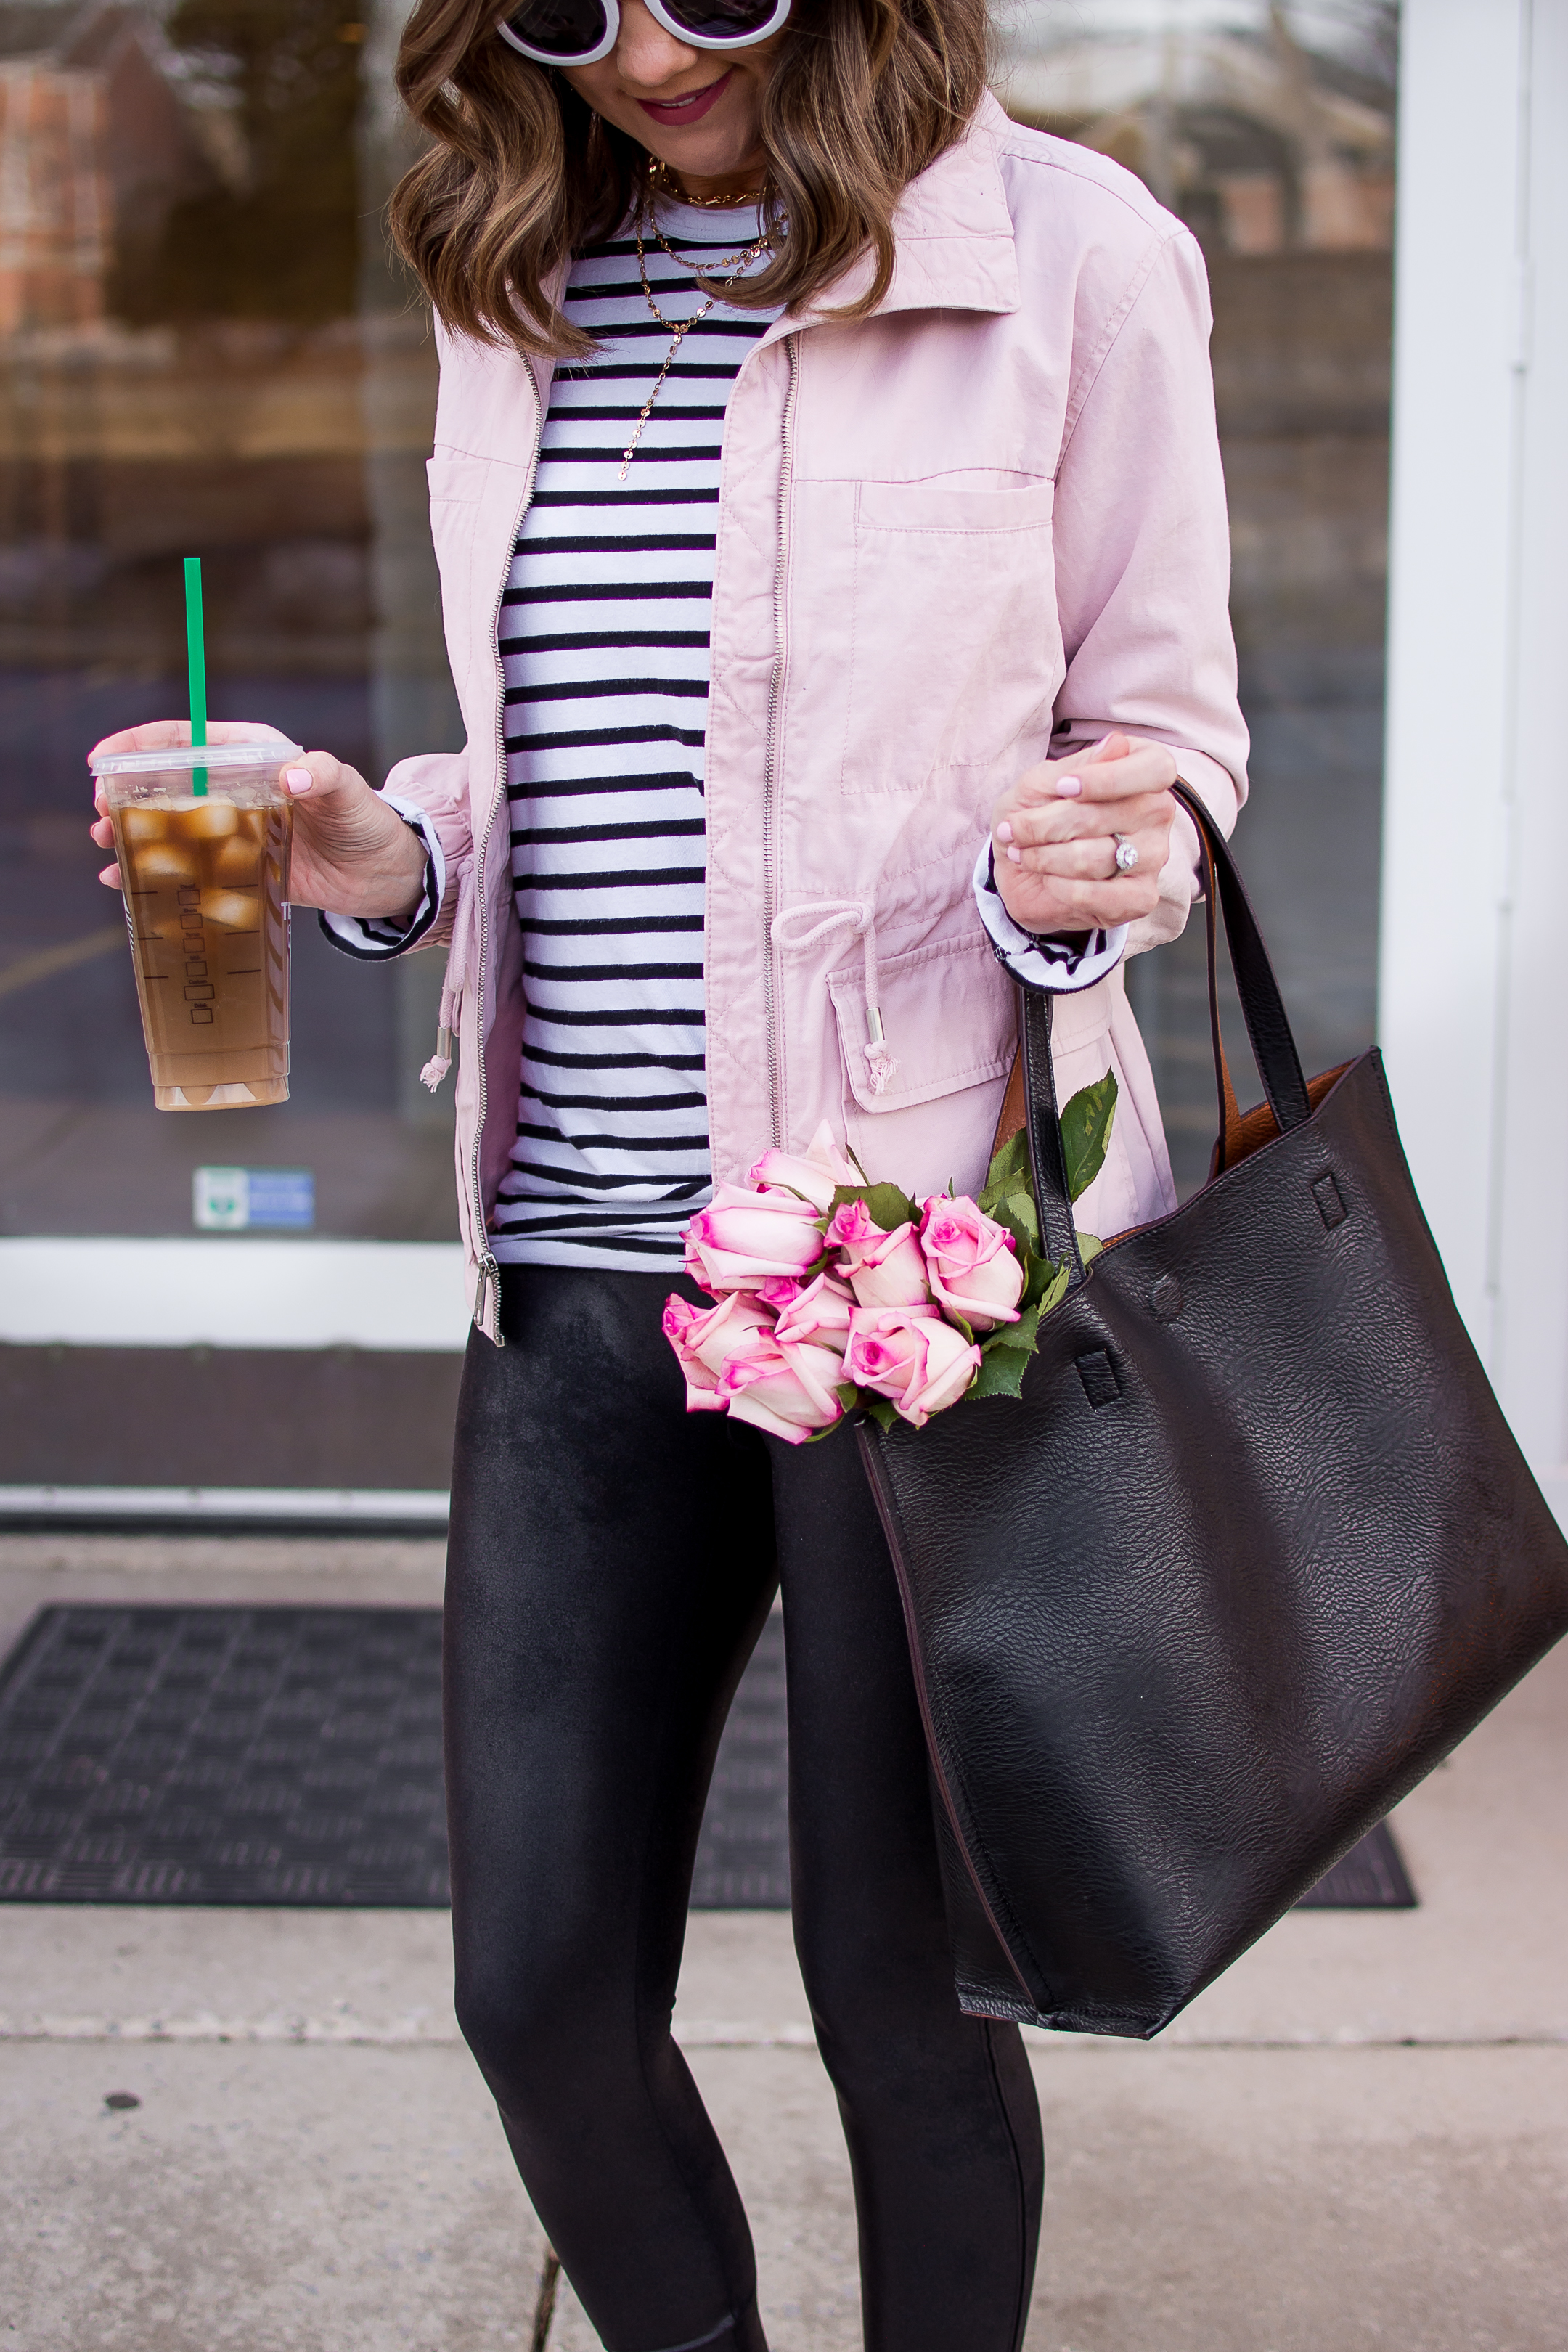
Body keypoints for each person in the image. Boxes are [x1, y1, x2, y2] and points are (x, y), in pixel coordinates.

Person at [90, 1, 1246, 2343]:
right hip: (579, 1264)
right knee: (533, 1989)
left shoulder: (1071, 255)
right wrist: (378, 844)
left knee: (899, 2010)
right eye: (563, 1)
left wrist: (1080, 867)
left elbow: (1172, 748)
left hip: (903, 1274)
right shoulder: (515, 265)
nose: (636, 49)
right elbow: (577, 755)